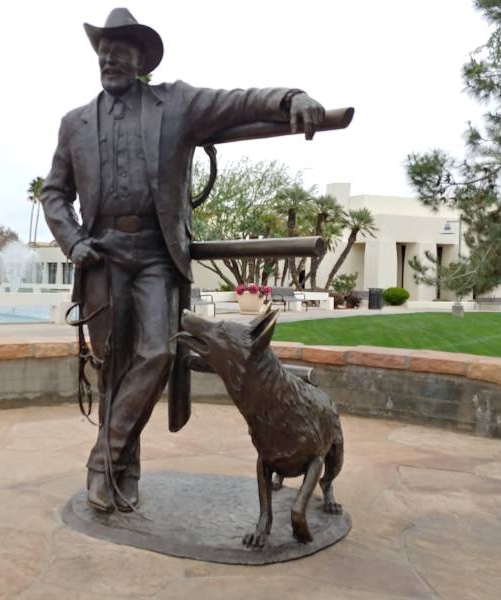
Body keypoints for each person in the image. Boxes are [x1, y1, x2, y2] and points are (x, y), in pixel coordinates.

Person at [40, 8, 325, 512]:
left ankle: (101, 461)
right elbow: (54, 193)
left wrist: (292, 97)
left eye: (119, 49)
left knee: (157, 353)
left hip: (154, 253)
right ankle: (120, 475)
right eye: (102, 49)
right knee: (111, 368)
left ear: (141, 59)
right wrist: (73, 240)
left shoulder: (176, 104)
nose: (108, 57)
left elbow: (238, 102)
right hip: (101, 255)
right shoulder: (74, 123)